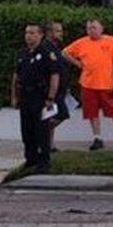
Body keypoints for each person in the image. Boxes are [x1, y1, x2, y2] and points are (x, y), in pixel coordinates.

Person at [63, 18, 113, 151]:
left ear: (102, 28)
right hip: (88, 85)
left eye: (94, 27)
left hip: (107, 85)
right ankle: (97, 138)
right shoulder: (82, 42)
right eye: (88, 28)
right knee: (92, 113)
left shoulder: (111, 41)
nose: (91, 31)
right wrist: (78, 63)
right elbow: (65, 52)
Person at [11, 24, 60, 173]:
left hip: (40, 97)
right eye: (27, 33)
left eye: (32, 33)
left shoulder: (47, 53)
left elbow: (55, 75)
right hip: (25, 96)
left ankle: (44, 161)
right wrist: (14, 96)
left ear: (40, 35)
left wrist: (51, 97)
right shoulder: (23, 53)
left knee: (41, 131)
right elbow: (16, 76)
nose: (28, 36)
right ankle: (30, 159)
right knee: (27, 130)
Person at [42, 20, 72, 155]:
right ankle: (41, 135)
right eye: (58, 31)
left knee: (52, 116)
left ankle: (49, 145)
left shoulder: (56, 47)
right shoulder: (46, 48)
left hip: (60, 89)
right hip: (52, 91)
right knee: (61, 115)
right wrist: (51, 94)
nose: (61, 34)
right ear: (50, 32)